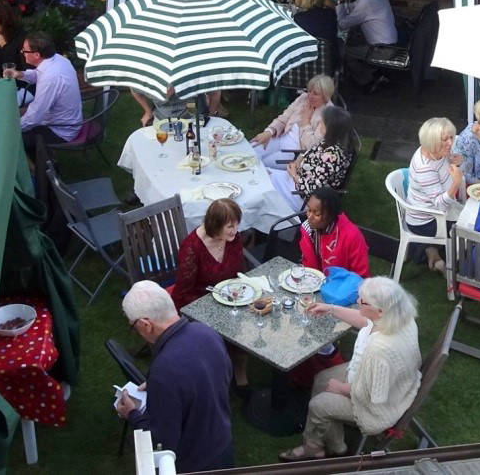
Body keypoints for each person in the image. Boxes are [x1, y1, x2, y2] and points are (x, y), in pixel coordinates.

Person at [279, 277, 421, 461]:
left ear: (380, 310)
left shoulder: (380, 350)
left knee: (318, 404)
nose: (357, 301)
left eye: (363, 301)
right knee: (321, 378)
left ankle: (325, 449)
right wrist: (331, 309)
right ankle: (327, 442)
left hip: (377, 408)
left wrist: (341, 388)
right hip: (376, 378)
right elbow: (365, 320)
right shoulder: (398, 316)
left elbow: (374, 396)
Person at [116, 281, 234, 471]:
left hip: (194, 463)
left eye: (133, 327)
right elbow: (219, 377)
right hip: (223, 446)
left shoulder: (164, 371)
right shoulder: (207, 332)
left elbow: (160, 441)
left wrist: (131, 414)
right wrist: (164, 387)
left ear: (146, 325)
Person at [170, 199, 252, 397]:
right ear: (215, 226)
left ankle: (240, 368)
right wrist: (214, 306)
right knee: (226, 325)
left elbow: (238, 271)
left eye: (236, 225)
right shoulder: (192, 247)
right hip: (199, 301)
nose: (235, 231)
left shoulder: (233, 239)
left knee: (250, 317)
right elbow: (182, 293)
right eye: (230, 226)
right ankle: (216, 376)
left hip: (229, 295)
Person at [6, 32, 83, 161]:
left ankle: (44, 169)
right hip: (65, 120)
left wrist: (11, 129)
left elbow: (35, 116)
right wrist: (20, 74)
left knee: (11, 139)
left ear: (37, 55)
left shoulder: (51, 78)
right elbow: (38, 74)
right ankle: (40, 162)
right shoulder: (58, 59)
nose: (22, 52)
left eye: (24, 50)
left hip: (60, 130)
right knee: (15, 115)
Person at [404, 117, 464, 271]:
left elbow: (445, 164)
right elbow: (440, 205)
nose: (450, 143)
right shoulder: (424, 168)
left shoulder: (437, 151)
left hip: (438, 210)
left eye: (451, 137)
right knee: (468, 226)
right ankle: (453, 266)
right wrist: (456, 183)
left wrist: (456, 160)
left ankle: (432, 251)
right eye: (445, 139)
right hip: (426, 221)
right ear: (431, 142)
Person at [270, 105, 353, 205]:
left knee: (263, 187)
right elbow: (309, 152)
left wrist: (294, 175)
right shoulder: (329, 140)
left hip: (300, 195)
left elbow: (313, 189)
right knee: (265, 174)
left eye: (323, 121)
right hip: (296, 179)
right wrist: (297, 163)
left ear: (330, 127)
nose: (320, 122)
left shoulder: (332, 157)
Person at [251, 73, 333, 168]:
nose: (310, 96)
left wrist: (306, 121)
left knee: (261, 165)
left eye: (315, 93)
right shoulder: (303, 98)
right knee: (250, 151)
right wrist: (269, 132)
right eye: (309, 91)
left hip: (295, 154)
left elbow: (312, 146)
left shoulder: (328, 114)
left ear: (326, 96)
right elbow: (284, 118)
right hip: (281, 138)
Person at [336, 0, 398, 90]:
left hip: (383, 50)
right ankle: (376, 74)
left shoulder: (366, 1)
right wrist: (338, 6)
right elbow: (354, 7)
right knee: (355, 41)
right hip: (391, 45)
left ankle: (368, 82)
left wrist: (340, 0)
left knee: (345, 52)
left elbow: (342, 24)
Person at [299, 186, 371, 276]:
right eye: (309, 210)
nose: (309, 217)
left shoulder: (352, 237)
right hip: (314, 279)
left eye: (316, 214)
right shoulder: (308, 229)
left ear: (331, 215)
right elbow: (308, 264)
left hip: (342, 283)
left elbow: (361, 276)